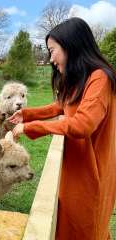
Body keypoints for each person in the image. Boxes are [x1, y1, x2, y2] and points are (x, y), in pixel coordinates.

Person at [8, 17, 116, 240]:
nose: (50, 59)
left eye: (52, 51)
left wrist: (31, 127)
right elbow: (61, 106)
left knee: (85, 227)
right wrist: (26, 114)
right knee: (67, 223)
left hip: (90, 171)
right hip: (76, 165)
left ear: (71, 46)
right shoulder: (82, 79)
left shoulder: (99, 79)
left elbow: (82, 124)